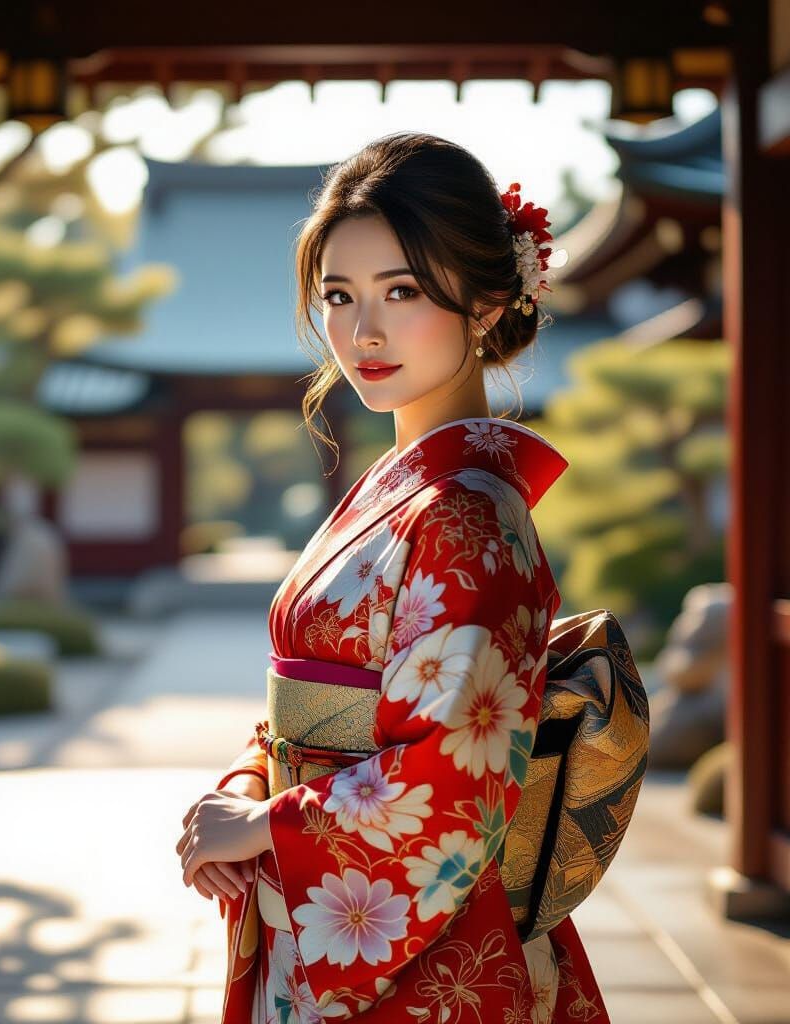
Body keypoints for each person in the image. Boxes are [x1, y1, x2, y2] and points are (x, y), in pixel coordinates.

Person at [174, 131, 611, 1023]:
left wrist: (265, 828)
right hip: (332, 898)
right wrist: (245, 788)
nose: (360, 331)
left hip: (420, 937)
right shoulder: (405, 489)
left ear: (487, 304)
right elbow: (303, 709)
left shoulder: (465, 513)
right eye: (338, 295)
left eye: (401, 292)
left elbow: (461, 771)